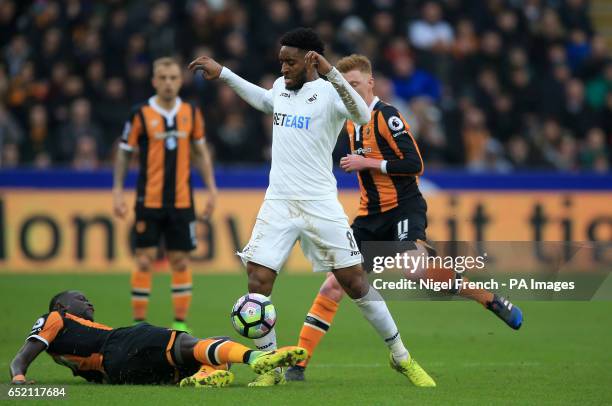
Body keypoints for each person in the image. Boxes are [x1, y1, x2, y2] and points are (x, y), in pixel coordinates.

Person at [189, 28, 435, 387]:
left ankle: (401, 356)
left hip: (320, 203)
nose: (284, 68)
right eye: (281, 62)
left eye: (290, 61)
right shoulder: (280, 88)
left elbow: (362, 116)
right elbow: (262, 100)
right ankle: (272, 369)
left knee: (354, 282)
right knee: (258, 278)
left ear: (310, 60)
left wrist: (332, 72)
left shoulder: (330, 93)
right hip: (279, 202)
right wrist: (223, 73)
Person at [285, 54, 524, 381]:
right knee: (333, 285)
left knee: (416, 271)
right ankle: (299, 363)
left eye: (353, 84)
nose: (348, 91)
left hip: (403, 209)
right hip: (369, 219)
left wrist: (369, 164)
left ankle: (488, 299)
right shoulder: (350, 120)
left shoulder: (387, 116)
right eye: (343, 86)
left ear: (370, 83)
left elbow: (415, 164)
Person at [113, 57, 217, 332]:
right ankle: (138, 324)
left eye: (173, 78)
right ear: (154, 81)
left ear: (180, 81)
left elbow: (200, 153)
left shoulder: (191, 113)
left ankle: (180, 323)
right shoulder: (140, 114)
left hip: (182, 200)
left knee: (180, 260)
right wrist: (117, 191)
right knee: (145, 259)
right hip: (148, 199)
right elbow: (125, 154)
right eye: (163, 78)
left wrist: (211, 189)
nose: (168, 83)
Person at [9, 290, 307, 387]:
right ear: (61, 308)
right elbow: (22, 356)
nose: (89, 304)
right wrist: (19, 380)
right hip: (119, 343)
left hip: (120, 375)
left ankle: (203, 377)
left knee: (205, 346)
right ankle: (258, 358)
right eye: (81, 299)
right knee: (187, 343)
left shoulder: (69, 350)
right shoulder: (54, 319)